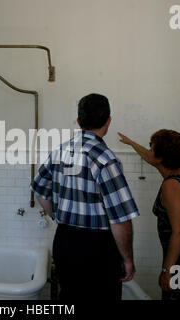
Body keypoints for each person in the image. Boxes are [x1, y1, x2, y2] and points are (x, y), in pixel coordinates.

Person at [30, 93, 140, 300]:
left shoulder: (59, 151)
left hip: (64, 241)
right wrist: (127, 259)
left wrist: (58, 216)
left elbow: (39, 190)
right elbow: (120, 219)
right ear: (108, 121)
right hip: (98, 249)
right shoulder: (106, 160)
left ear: (79, 122)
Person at [118, 130, 180, 300]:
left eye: (151, 146)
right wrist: (131, 142)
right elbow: (150, 157)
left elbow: (179, 231)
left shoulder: (171, 186)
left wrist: (167, 270)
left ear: (161, 157)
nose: (149, 150)